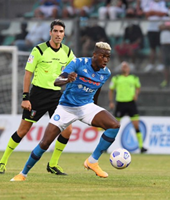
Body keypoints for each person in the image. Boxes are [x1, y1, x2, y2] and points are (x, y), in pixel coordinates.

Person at [10, 42, 120, 181]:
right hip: (66, 107)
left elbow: (97, 89)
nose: (105, 60)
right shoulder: (78, 63)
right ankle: (23, 173)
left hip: (86, 106)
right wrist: (67, 79)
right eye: (102, 56)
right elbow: (57, 81)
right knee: (45, 142)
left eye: (108, 57)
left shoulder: (106, 73)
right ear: (94, 55)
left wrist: (95, 108)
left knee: (114, 125)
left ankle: (92, 161)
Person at [0, 19, 75, 176]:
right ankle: (3, 161)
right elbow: (28, 74)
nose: (58, 34)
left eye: (61, 31)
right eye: (56, 31)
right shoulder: (39, 50)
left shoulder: (67, 52)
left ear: (64, 34)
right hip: (38, 95)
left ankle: (53, 164)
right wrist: (26, 97)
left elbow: (76, 68)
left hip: (56, 96)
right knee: (23, 130)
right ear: (50, 33)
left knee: (67, 130)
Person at [109, 61, 147, 153]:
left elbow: (138, 87)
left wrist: (136, 94)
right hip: (120, 103)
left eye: (126, 66)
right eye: (123, 67)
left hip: (131, 103)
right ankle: (106, 146)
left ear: (129, 68)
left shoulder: (134, 78)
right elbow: (111, 90)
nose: (124, 68)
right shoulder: (116, 78)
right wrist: (111, 101)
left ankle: (141, 147)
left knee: (136, 125)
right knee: (114, 126)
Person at [143, 0, 168, 73]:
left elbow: (163, 13)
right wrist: (156, 13)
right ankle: (151, 64)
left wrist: (153, 12)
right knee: (152, 48)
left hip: (159, 29)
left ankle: (161, 64)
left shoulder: (163, 3)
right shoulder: (149, 3)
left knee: (160, 47)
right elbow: (147, 14)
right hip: (151, 29)